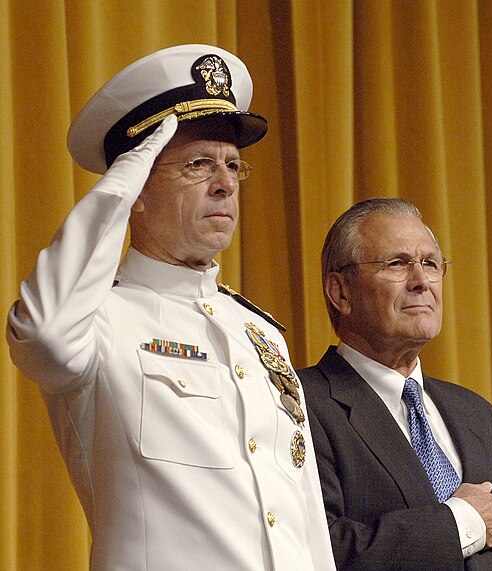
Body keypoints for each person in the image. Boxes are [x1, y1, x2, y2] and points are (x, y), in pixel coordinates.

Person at [6, 44, 336, 570]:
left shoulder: (261, 334)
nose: (225, 183)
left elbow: (302, 514)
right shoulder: (97, 321)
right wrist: (118, 185)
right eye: (197, 165)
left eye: (232, 165)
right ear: (137, 188)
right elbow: (41, 335)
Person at [297, 198, 492, 571]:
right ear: (340, 292)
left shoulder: (474, 412)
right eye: (397, 264)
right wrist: (459, 525)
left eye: (431, 264)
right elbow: (315, 548)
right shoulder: (301, 403)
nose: (421, 281)